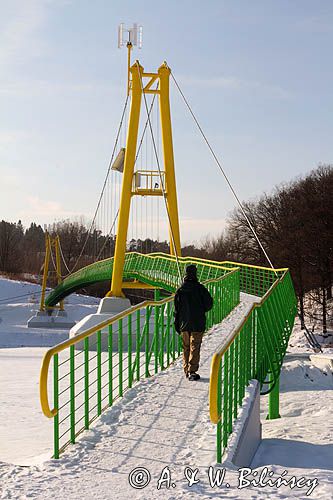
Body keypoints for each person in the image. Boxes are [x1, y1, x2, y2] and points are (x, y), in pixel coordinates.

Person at [174, 264, 213, 381]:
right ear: (196, 273)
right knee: (195, 347)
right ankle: (192, 371)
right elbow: (209, 304)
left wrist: (177, 324)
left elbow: (177, 310)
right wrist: (200, 309)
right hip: (198, 323)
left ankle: (186, 370)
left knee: (186, 347)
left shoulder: (180, 290)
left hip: (184, 324)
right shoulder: (200, 289)